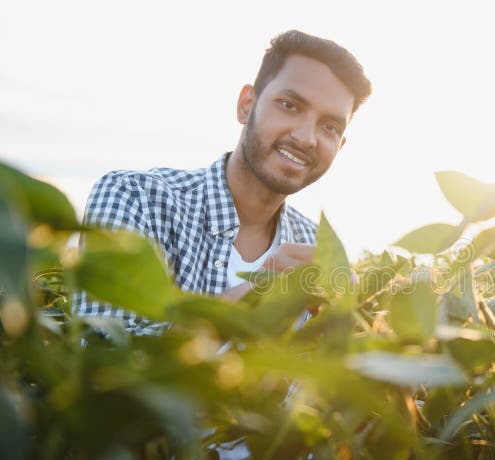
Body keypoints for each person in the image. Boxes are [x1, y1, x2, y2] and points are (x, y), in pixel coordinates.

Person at [73, 30, 371, 333]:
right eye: (290, 105)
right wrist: (253, 297)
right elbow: (100, 356)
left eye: (330, 127)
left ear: (340, 146)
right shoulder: (138, 199)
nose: (306, 138)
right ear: (246, 104)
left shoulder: (315, 246)